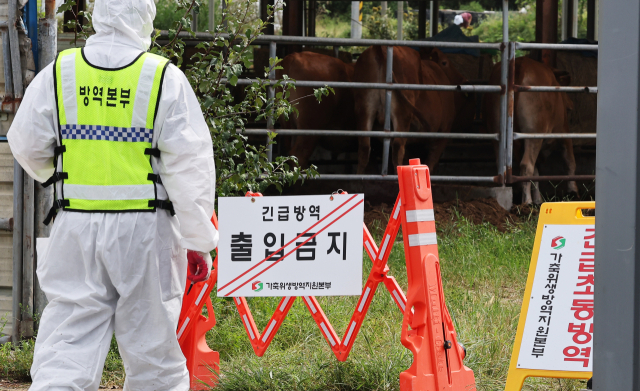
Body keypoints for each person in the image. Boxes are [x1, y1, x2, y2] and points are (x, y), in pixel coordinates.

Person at [7, 0, 218, 389]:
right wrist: (198, 241)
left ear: (98, 15)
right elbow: (190, 169)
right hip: (146, 232)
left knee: (67, 345)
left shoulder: (61, 73)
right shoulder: (162, 78)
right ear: (145, 17)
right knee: (153, 353)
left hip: (75, 225)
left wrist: (58, 172)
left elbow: (25, 142)